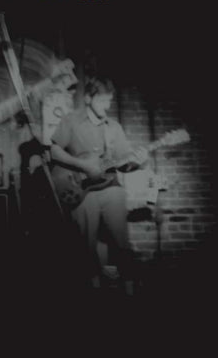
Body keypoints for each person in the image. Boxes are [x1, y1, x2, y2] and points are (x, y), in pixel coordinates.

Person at [50, 76, 148, 296]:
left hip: (111, 187)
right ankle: (93, 293)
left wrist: (138, 162)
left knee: (122, 241)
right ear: (88, 98)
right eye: (102, 100)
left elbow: (124, 163)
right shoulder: (71, 121)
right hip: (80, 189)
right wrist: (83, 165)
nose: (107, 105)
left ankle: (130, 290)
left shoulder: (114, 128)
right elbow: (54, 151)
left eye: (109, 100)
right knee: (85, 244)